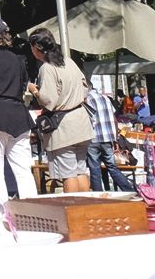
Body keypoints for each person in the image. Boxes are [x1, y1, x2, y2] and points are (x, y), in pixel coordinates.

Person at [30, 28, 94, 193]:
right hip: (81, 121)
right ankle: (86, 210)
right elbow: (85, 88)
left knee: (68, 174)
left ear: (37, 47)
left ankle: (73, 212)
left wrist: (35, 91)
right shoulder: (68, 61)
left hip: (64, 127)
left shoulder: (47, 68)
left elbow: (48, 100)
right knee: (80, 170)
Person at [0, 18, 35, 197]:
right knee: (24, 170)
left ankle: (3, 212)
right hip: (19, 115)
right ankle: (33, 211)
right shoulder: (18, 59)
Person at [86, 83, 132, 191]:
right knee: (112, 167)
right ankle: (129, 190)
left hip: (93, 138)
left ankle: (99, 196)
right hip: (107, 138)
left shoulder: (86, 99)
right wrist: (115, 137)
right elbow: (114, 118)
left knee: (95, 170)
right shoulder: (105, 98)